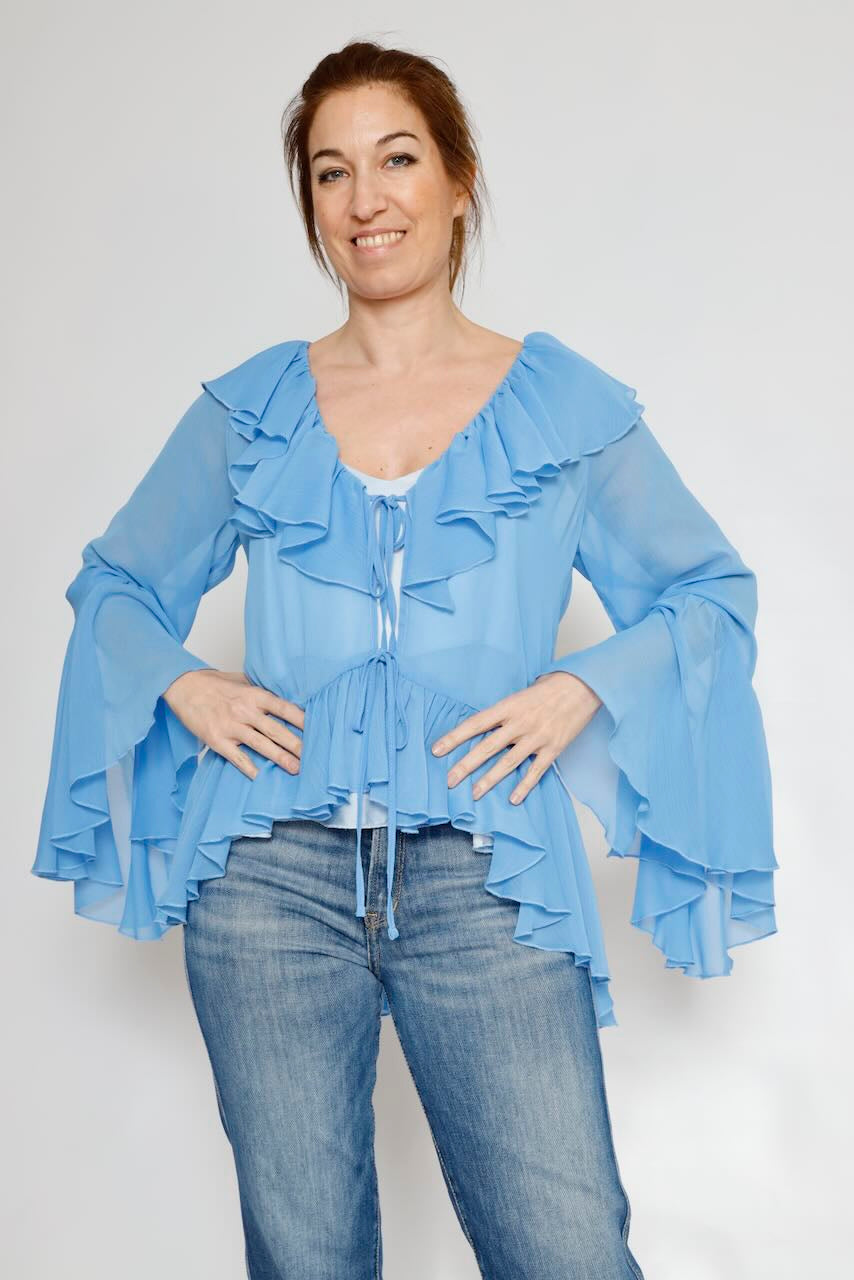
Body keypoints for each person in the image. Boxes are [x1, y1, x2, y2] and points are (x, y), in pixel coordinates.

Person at [32, 38, 778, 1280]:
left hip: (489, 876)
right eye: (330, 172)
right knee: (305, 1255)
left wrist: (580, 685)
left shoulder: (560, 406)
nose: (363, 199)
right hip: (266, 882)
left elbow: (708, 592)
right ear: (310, 205)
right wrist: (188, 683)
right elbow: (114, 584)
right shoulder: (251, 409)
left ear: (457, 180)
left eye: (395, 160)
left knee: (565, 1251)